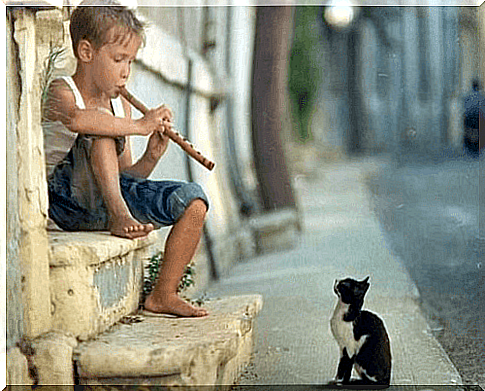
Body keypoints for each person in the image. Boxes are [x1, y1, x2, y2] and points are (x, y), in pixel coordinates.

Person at [42, 0, 209, 317]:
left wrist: (151, 156)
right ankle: (120, 216)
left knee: (194, 201)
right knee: (100, 126)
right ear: (87, 53)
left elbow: (122, 176)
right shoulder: (61, 92)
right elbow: (79, 120)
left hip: (105, 202)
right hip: (63, 204)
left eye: (131, 62)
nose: (126, 72)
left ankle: (163, 294)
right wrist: (138, 127)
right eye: (119, 59)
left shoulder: (123, 109)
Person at [463, 79, 484, 155]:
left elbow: (465, 107)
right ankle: (478, 147)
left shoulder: (468, 96)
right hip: (478, 117)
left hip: (469, 116)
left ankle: (469, 148)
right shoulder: (482, 96)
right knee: (480, 132)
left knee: (468, 132)